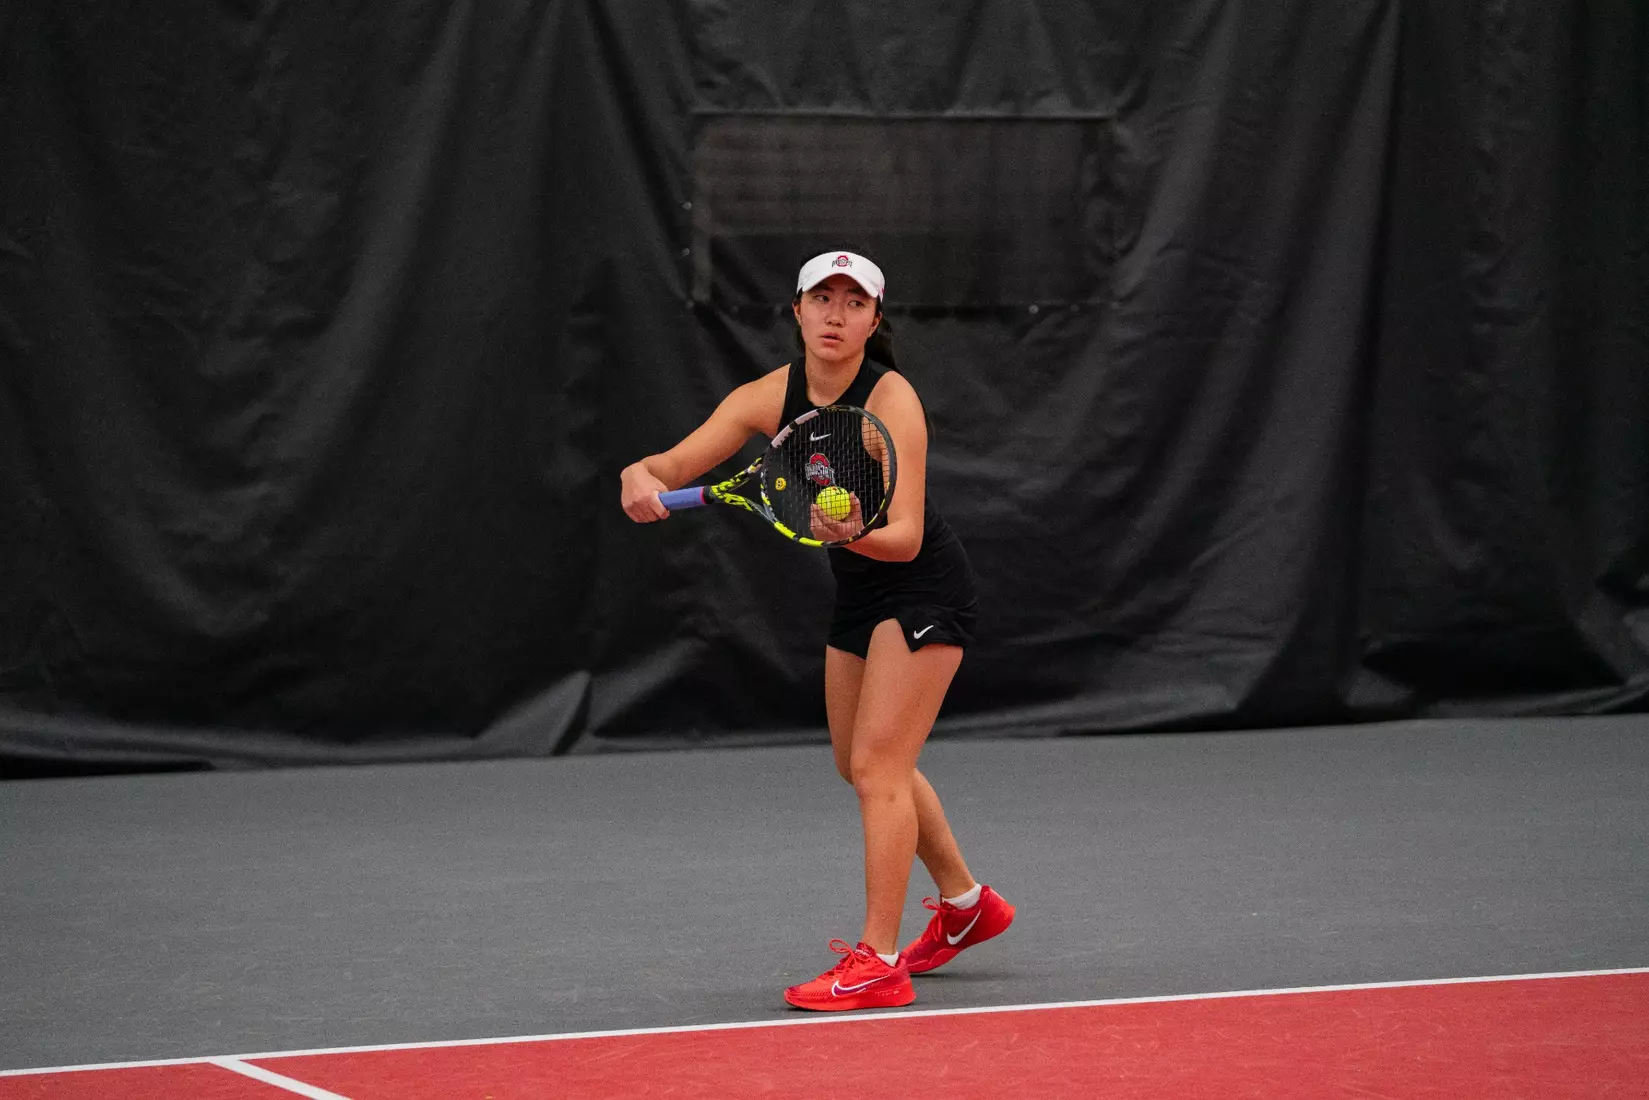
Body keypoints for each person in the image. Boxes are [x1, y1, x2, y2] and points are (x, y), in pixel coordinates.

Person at [619, 251, 1014, 1011]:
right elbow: (675, 461)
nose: (836, 315)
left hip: (922, 586)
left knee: (878, 767)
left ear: (875, 319)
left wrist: (847, 529)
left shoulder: (891, 400)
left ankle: (878, 961)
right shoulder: (769, 395)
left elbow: (900, 539)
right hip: (861, 597)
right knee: (860, 764)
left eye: (853, 302)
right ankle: (967, 907)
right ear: (795, 311)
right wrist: (642, 472)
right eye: (821, 299)